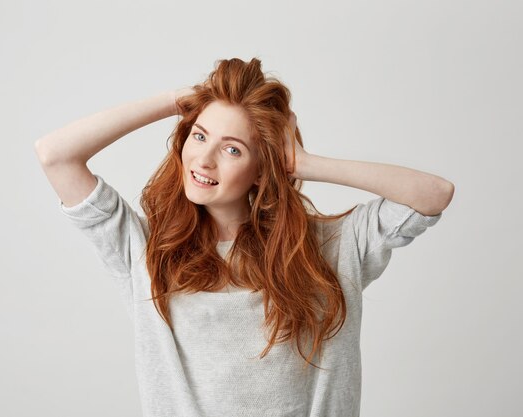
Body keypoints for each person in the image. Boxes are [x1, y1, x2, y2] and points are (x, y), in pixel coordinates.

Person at [34, 57, 454, 417]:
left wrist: (303, 163)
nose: (204, 158)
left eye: (232, 149)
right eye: (199, 136)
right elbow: (56, 155)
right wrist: (181, 100)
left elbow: (433, 195)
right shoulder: (146, 251)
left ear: (262, 167)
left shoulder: (326, 248)